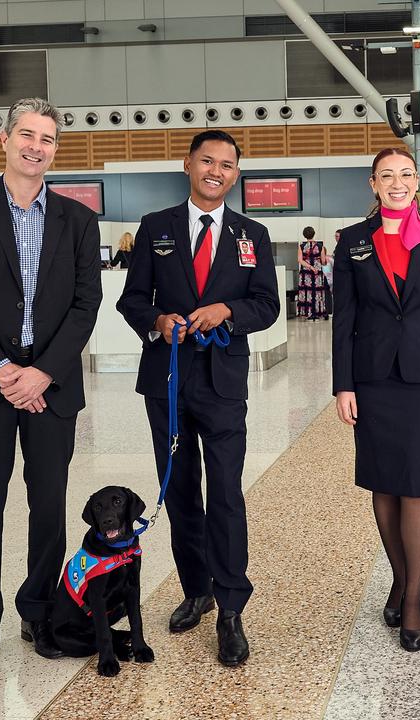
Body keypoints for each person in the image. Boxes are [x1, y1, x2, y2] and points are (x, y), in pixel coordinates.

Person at [0, 97, 102, 677]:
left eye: (48, 139)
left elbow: (86, 306)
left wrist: (42, 372)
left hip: (50, 386)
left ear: (57, 149)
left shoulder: (78, 220)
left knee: (47, 503)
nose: (36, 147)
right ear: (4, 139)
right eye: (27, 135)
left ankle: (40, 612)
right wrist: (2, 371)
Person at [115, 130, 280, 667]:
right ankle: (197, 589)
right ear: (187, 164)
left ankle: (232, 607)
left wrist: (227, 312)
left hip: (224, 384)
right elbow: (132, 299)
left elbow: (266, 305)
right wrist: (158, 322)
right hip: (167, 380)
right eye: (207, 160)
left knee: (227, 493)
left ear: (236, 174)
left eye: (227, 164)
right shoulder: (155, 227)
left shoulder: (251, 233)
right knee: (182, 490)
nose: (216, 170)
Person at [332, 148, 420, 652]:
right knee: (383, 485)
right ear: (372, 183)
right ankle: (398, 574)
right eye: (386, 175)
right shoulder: (351, 242)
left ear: (417, 182)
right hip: (371, 379)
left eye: (406, 174)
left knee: (416, 485)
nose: (397, 182)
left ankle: (413, 596)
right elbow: (342, 319)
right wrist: (342, 385)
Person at [296, 226, 329, 321]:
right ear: (314, 234)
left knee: (307, 292)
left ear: (304, 235)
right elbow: (323, 261)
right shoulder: (320, 246)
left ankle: (308, 313)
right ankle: (318, 312)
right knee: (317, 292)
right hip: (317, 273)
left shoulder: (301, 246)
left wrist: (309, 267)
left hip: (305, 274)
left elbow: (300, 260)